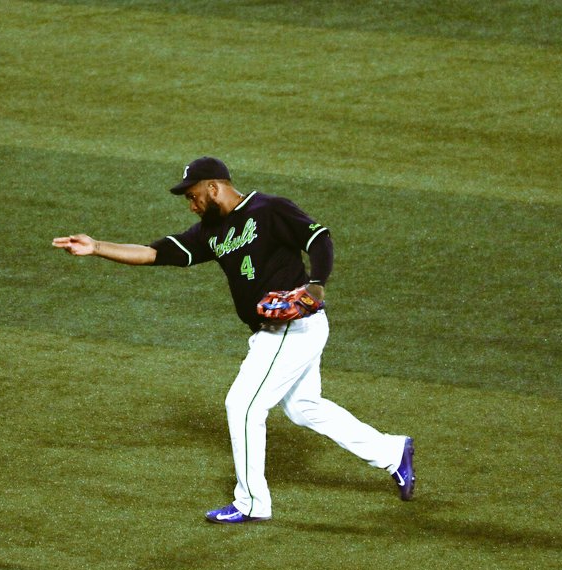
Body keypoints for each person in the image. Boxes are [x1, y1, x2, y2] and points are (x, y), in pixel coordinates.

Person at [52, 157, 415, 523]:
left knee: (242, 406)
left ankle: (252, 503)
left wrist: (316, 284)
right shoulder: (210, 232)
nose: (192, 205)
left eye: (193, 196)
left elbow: (319, 238)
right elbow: (154, 253)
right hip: (276, 333)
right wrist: (97, 246)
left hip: (291, 328)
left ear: (214, 187)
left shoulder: (269, 209)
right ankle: (391, 451)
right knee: (304, 407)